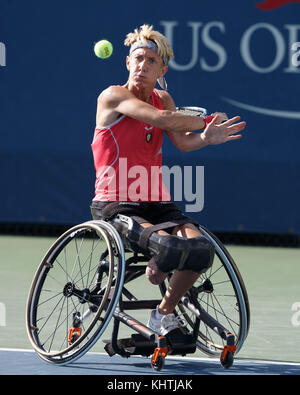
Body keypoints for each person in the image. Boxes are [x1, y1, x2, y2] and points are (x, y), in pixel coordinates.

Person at [90, 24, 246, 336]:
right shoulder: (113, 96)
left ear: (162, 68)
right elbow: (160, 120)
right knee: (173, 248)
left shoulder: (164, 98)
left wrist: (205, 137)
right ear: (127, 62)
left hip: (157, 204)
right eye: (137, 58)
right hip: (115, 204)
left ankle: (163, 313)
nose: (142, 66)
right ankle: (161, 261)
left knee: (200, 249)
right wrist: (204, 120)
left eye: (150, 61)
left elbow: (183, 142)